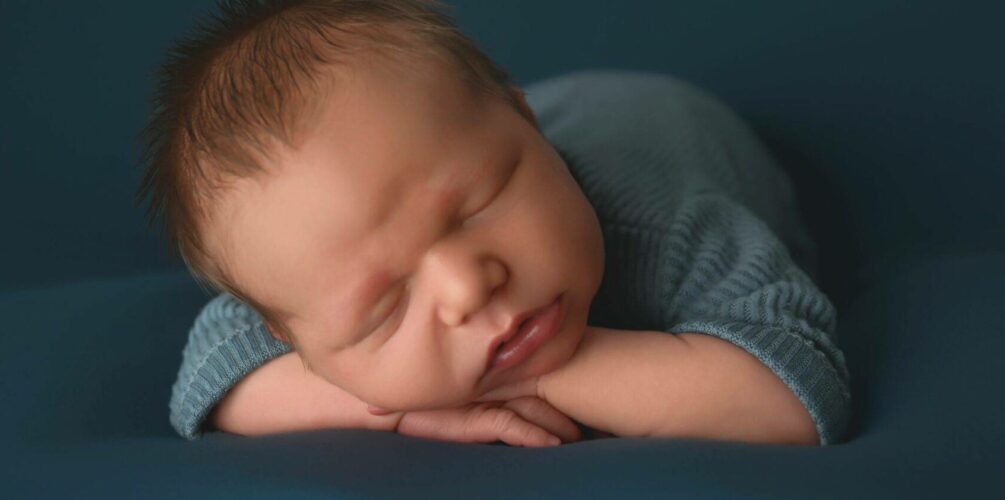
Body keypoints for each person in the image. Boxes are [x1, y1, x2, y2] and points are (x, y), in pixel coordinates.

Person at [136, 0, 851, 447]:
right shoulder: (309, 280)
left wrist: (532, 383)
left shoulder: (665, 223)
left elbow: (793, 398)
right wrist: (400, 408)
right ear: (289, 337)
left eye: (480, 204)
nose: (468, 289)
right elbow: (211, 383)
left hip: (657, 117)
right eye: (385, 307)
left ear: (526, 126)